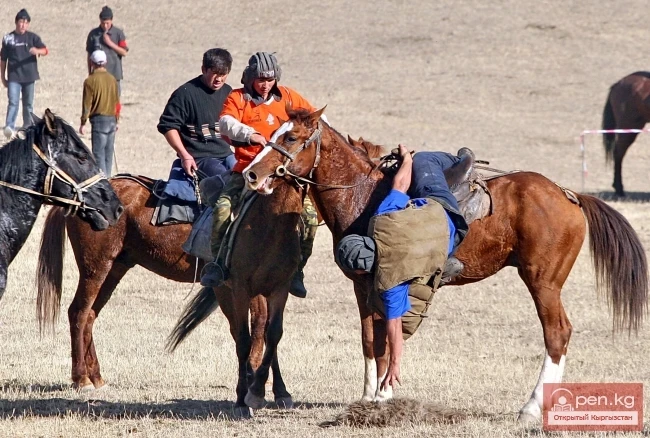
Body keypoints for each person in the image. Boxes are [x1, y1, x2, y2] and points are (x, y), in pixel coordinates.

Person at [335, 145, 470, 393]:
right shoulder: (382, 220)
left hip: (450, 229)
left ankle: (438, 266)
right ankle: (461, 159)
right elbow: (400, 184)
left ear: (362, 272)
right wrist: (408, 158)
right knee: (425, 159)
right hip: (438, 208)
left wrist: (395, 365)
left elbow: (394, 327)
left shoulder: (389, 281)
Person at [201, 51, 319, 298]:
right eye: (260, 79)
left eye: (270, 79)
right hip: (247, 170)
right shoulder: (237, 98)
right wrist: (249, 134)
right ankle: (218, 264)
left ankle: (297, 270)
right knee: (222, 209)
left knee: (309, 217)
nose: (265, 85)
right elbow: (225, 123)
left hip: (283, 175)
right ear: (250, 78)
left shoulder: (287, 96)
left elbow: (313, 118)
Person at [157, 48, 235, 193]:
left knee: (246, 178)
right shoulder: (184, 94)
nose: (219, 79)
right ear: (204, 69)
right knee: (228, 183)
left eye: (223, 74)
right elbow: (168, 126)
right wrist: (185, 156)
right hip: (201, 157)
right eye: (214, 73)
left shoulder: (228, 91)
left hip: (227, 153)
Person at [1, 9, 48, 139]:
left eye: (26, 22)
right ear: (16, 22)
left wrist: (37, 50)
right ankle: (9, 127)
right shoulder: (8, 38)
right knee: (13, 102)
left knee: (28, 104)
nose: (23, 25)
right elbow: (3, 59)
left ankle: (27, 127)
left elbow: (45, 50)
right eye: (21, 22)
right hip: (14, 77)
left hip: (29, 76)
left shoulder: (33, 37)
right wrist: (2, 77)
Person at [79, 50, 120, 176]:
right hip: (112, 119)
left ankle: (103, 180)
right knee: (108, 154)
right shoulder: (112, 79)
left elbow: (87, 104)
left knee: (98, 155)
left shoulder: (90, 81)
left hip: (99, 121)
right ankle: (109, 179)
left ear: (92, 63)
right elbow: (117, 102)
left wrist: (83, 122)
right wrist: (117, 120)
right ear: (105, 62)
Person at [86, 6, 128, 96]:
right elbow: (89, 55)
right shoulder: (93, 34)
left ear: (111, 20)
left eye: (107, 23)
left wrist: (110, 43)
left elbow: (124, 52)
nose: (105, 26)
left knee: (114, 101)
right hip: (98, 76)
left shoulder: (118, 33)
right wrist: (90, 73)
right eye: (103, 23)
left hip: (114, 75)